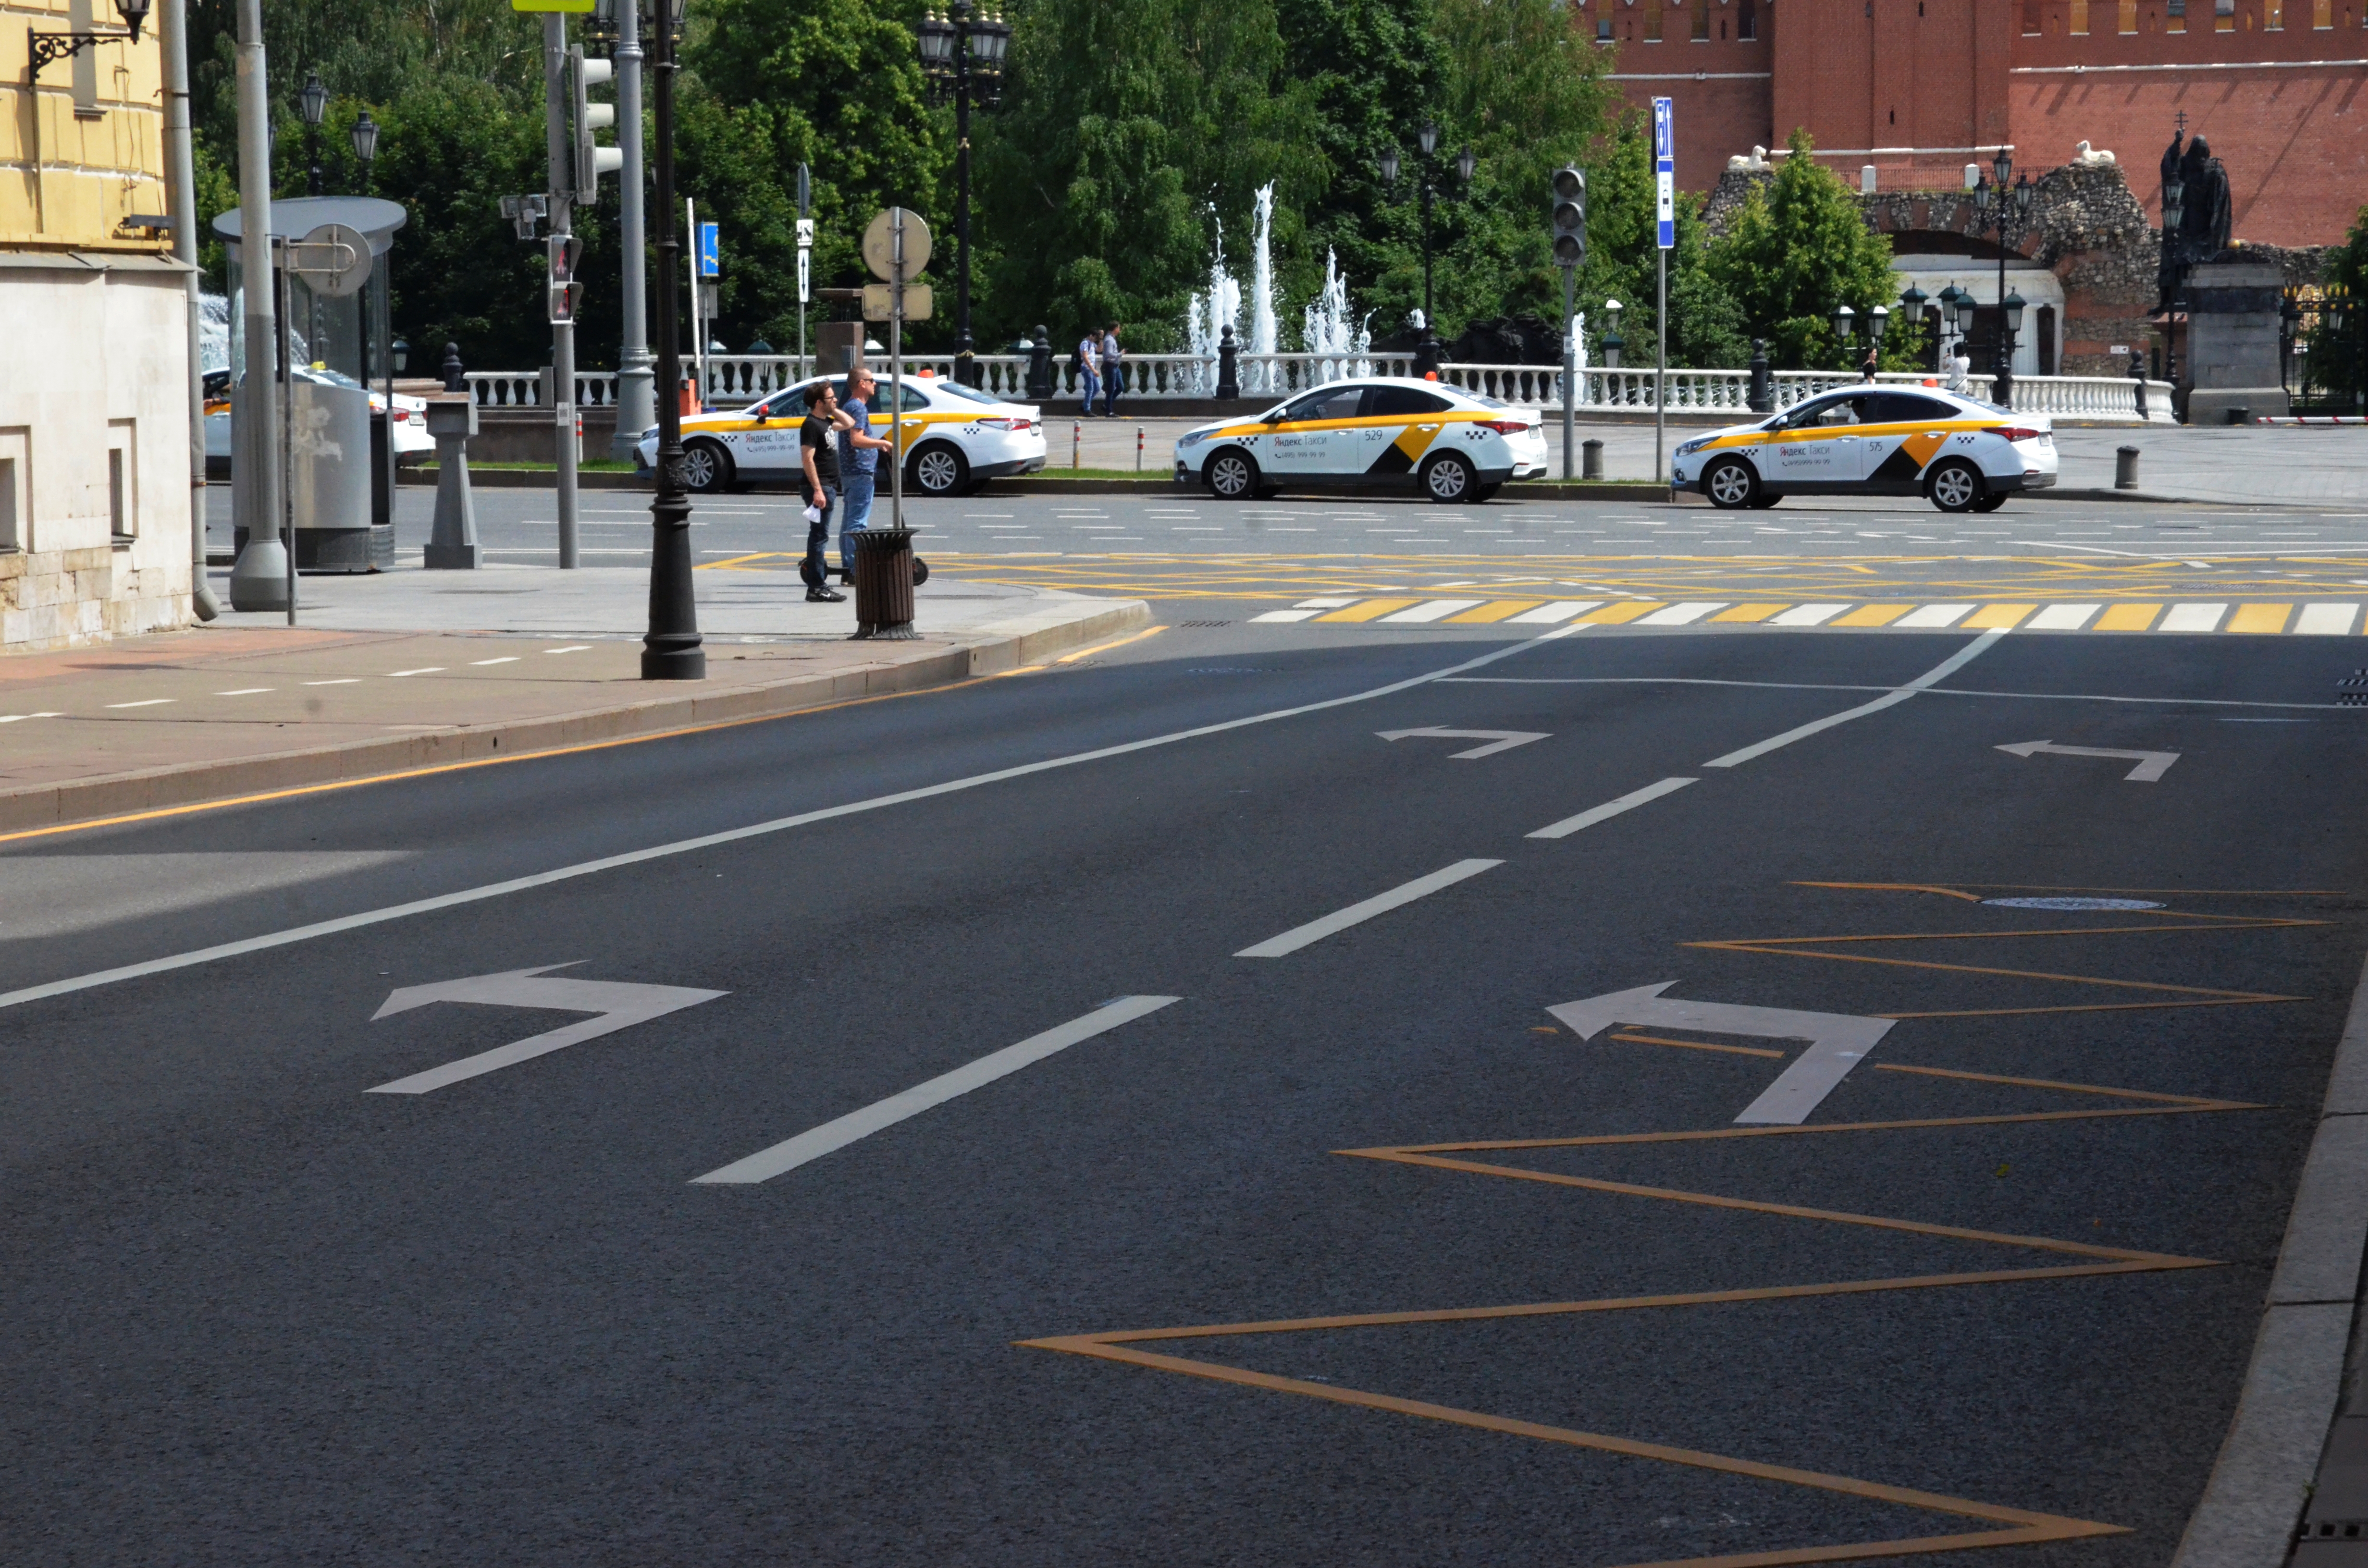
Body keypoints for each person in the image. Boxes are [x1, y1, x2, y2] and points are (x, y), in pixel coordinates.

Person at [835, 365, 894, 582]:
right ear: (862, 384)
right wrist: (882, 443)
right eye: (871, 380)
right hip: (860, 471)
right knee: (857, 524)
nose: (874, 384)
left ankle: (847, 568)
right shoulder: (857, 408)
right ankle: (854, 571)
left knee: (849, 523)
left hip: (852, 472)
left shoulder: (849, 406)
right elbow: (856, 439)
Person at [799, 378, 848, 603]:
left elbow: (849, 423)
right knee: (819, 537)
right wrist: (818, 490)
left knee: (820, 536)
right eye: (831, 397)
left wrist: (834, 408)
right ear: (819, 402)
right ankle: (817, 587)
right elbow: (808, 460)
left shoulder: (825, 422)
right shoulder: (811, 425)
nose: (835, 399)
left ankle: (817, 585)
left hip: (828, 485)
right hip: (820, 487)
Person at [1075, 326, 1100, 418]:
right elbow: (1085, 357)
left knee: (1097, 388)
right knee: (1090, 389)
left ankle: (1084, 405)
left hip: (1091, 368)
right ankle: (1087, 410)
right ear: (1090, 335)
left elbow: (1100, 350)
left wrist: (1101, 339)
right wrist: (1093, 370)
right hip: (1087, 369)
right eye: (1095, 337)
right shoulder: (1085, 343)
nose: (1095, 339)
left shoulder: (1092, 344)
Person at [1100, 323, 1123, 416]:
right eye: (1118, 328)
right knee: (1111, 389)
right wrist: (1120, 354)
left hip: (1115, 366)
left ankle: (1106, 405)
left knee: (1120, 387)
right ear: (1115, 329)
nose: (1119, 330)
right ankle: (1108, 411)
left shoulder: (1112, 339)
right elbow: (1109, 354)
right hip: (1110, 365)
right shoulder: (1109, 340)